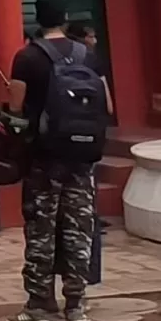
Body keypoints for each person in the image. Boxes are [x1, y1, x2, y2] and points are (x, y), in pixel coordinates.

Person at [6, 0, 109, 321]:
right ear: (65, 18)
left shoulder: (27, 58)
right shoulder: (87, 55)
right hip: (81, 158)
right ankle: (77, 305)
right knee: (79, 228)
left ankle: (38, 306)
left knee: (42, 230)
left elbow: (15, 112)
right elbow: (105, 105)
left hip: (43, 157)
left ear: (37, 18)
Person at [66, 20, 114, 289]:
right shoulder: (91, 60)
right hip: (88, 143)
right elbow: (107, 103)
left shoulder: (46, 57)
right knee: (86, 208)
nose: (95, 41)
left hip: (57, 145)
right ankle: (87, 277)